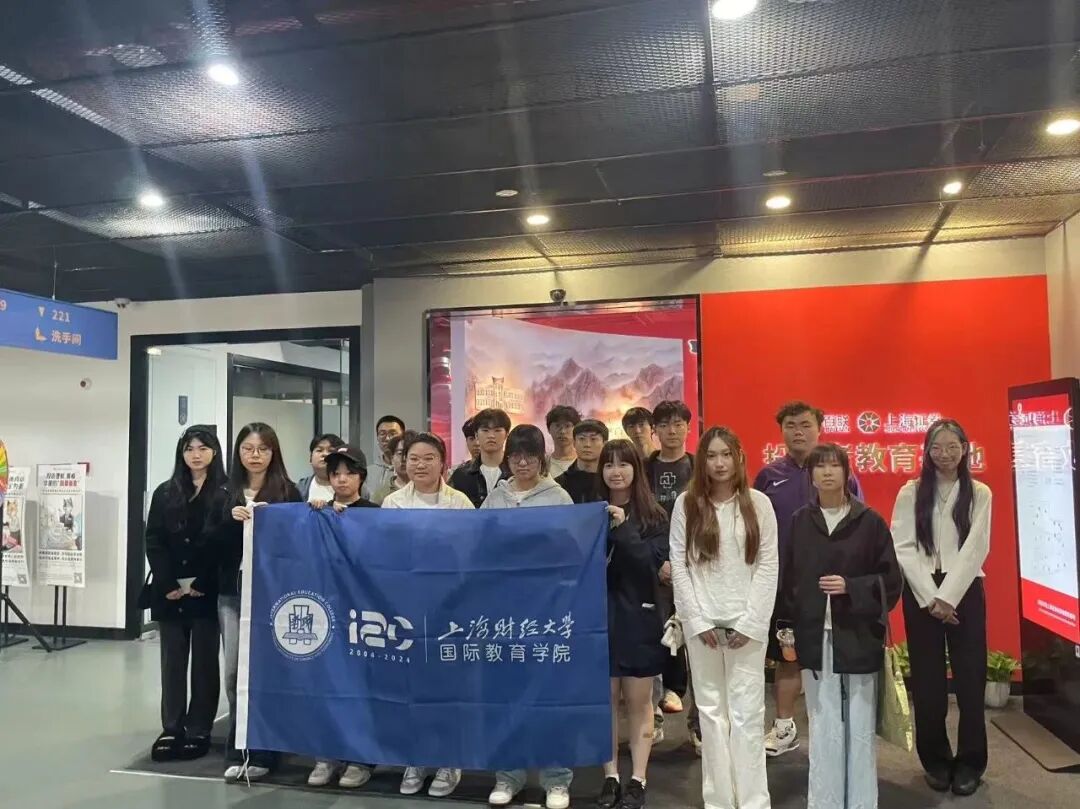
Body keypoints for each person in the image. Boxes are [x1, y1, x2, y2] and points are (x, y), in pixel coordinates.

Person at [786, 443, 901, 809]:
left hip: (858, 634)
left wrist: (852, 587)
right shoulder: (800, 522)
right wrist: (787, 628)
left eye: (834, 465)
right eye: (819, 467)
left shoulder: (870, 522)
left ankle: (862, 802)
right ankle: (825, 802)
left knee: (859, 726)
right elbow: (789, 580)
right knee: (822, 724)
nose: (827, 472)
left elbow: (891, 582)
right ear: (811, 476)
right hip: (814, 635)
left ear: (847, 473)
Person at [669, 426, 778, 809]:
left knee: (748, 716)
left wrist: (751, 623)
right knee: (712, 717)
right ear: (702, 461)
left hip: (747, 627)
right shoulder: (686, 504)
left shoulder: (759, 504)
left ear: (739, 458)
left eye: (726, 454)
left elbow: (768, 566)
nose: (719, 463)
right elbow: (680, 566)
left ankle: (753, 801)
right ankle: (718, 801)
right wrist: (696, 622)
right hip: (703, 628)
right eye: (712, 455)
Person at [754, 401, 862, 758]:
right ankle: (784, 727)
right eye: (790, 425)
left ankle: (834, 728)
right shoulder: (768, 476)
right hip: (786, 585)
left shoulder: (839, 473)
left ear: (819, 428)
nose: (798, 431)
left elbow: (859, 526)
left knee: (833, 655)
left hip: (832, 585)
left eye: (805, 424)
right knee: (788, 655)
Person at [892, 419, 992, 797]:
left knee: (970, 679)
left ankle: (970, 762)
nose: (945, 454)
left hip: (964, 590)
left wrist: (948, 596)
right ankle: (935, 759)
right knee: (928, 682)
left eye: (953, 447)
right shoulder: (911, 491)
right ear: (926, 451)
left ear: (965, 449)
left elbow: (976, 547)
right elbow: (903, 546)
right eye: (937, 447)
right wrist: (930, 597)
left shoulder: (979, 492)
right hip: (921, 592)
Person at [481, 425, 575, 809]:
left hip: (546, 613)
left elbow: (571, 552)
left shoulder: (559, 498)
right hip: (503, 614)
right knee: (507, 698)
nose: (522, 463)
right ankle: (509, 776)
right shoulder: (496, 498)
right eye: (516, 456)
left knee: (550, 697)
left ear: (542, 459)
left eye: (530, 456)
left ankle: (557, 780)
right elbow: (478, 544)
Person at [206, 422, 302, 783]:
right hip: (233, 594)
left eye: (263, 449)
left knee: (268, 673)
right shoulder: (224, 492)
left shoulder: (287, 491)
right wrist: (230, 522)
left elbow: (298, 541)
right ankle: (240, 749)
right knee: (234, 674)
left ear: (273, 452)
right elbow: (208, 543)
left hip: (273, 596)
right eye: (248, 448)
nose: (255, 455)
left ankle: (267, 749)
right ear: (238, 453)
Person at [383, 431, 472, 796]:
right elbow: (384, 555)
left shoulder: (460, 503)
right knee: (412, 689)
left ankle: (450, 761)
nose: (420, 465)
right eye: (413, 458)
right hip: (407, 610)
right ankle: (416, 759)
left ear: (443, 463)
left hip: (451, 610)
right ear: (404, 463)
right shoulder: (392, 503)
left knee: (448, 689)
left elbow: (472, 555)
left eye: (428, 458)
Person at [143, 425, 225, 763]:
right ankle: (172, 726)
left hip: (207, 590)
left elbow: (222, 542)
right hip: (170, 590)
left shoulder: (225, 491)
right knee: (172, 662)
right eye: (189, 448)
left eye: (203, 448)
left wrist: (202, 581)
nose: (196, 454)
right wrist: (167, 583)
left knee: (204, 662)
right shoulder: (165, 492)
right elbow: (154, 539)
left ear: (214, 452)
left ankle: (199, 727)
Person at [595, 439, 670, 809]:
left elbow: (650, 568)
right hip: (598, 621)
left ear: (636, 470)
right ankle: (610, 776)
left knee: (640, 703)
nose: (616, 471)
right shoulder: (590, 512)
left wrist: (623, 527)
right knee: (604, 702)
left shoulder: (654, 516)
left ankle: (638, 779)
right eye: (609, 464)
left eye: (623, 464)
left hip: (640, 619)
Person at [306, 445, 379, 789]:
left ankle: (361, 759)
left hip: (365, 614)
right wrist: (316, 514)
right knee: (328, 683)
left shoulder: (375, 513)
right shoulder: (317, 512)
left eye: (349, 473)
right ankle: (327, 755)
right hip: (328, 612)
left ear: (361, 477)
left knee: (362, 687)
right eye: (335, 473)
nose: (342, 479)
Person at [644, 401, 694, 727]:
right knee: (657, 626)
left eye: (678, 424)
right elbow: (640, 518)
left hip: (695, 561)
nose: (671, 431)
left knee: (693, 630)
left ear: (688, 427)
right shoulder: (644, 469)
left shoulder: (700, 467)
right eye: (664, 425)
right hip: (655, 562)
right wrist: (660, 561)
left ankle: (681, 694)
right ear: (655, 431)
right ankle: (657, 702)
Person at [449, 408, 511, 508]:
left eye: (497, 430)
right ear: (476, 435)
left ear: (506, 434)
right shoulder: (461, 475)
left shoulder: (515, 473)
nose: (491, 435)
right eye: (485, 430)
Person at [555, 419, 608, 504]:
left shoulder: (610, 480)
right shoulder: (559, 484)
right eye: (582, 439)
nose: (587, 444)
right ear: (574, 443)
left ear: (604, 444)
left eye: (593, 439)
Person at [297, 433, 345, 502]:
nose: (324, 454)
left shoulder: (353, 486)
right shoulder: (300, 488)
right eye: (319, 450)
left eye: (331, 451)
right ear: (310, 459)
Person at [373, 431, 415, 505]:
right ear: (392, 458)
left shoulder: (426, 491)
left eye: (408, 453)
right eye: (400, 453)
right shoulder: (382, 495)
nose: (404, 459)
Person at [370, 415, 406, 494]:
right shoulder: (368, 473)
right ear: (377, 437)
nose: (387, 438)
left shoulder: (410, 470)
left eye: (393, 433)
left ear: (403, 437)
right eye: (382, 434)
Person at [546, 405, 581, 479]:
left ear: (576, 429)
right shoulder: (543, 465)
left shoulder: (584, 462)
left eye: (567, 426)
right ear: (549, 429)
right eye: (557, 426)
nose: (562, 431)